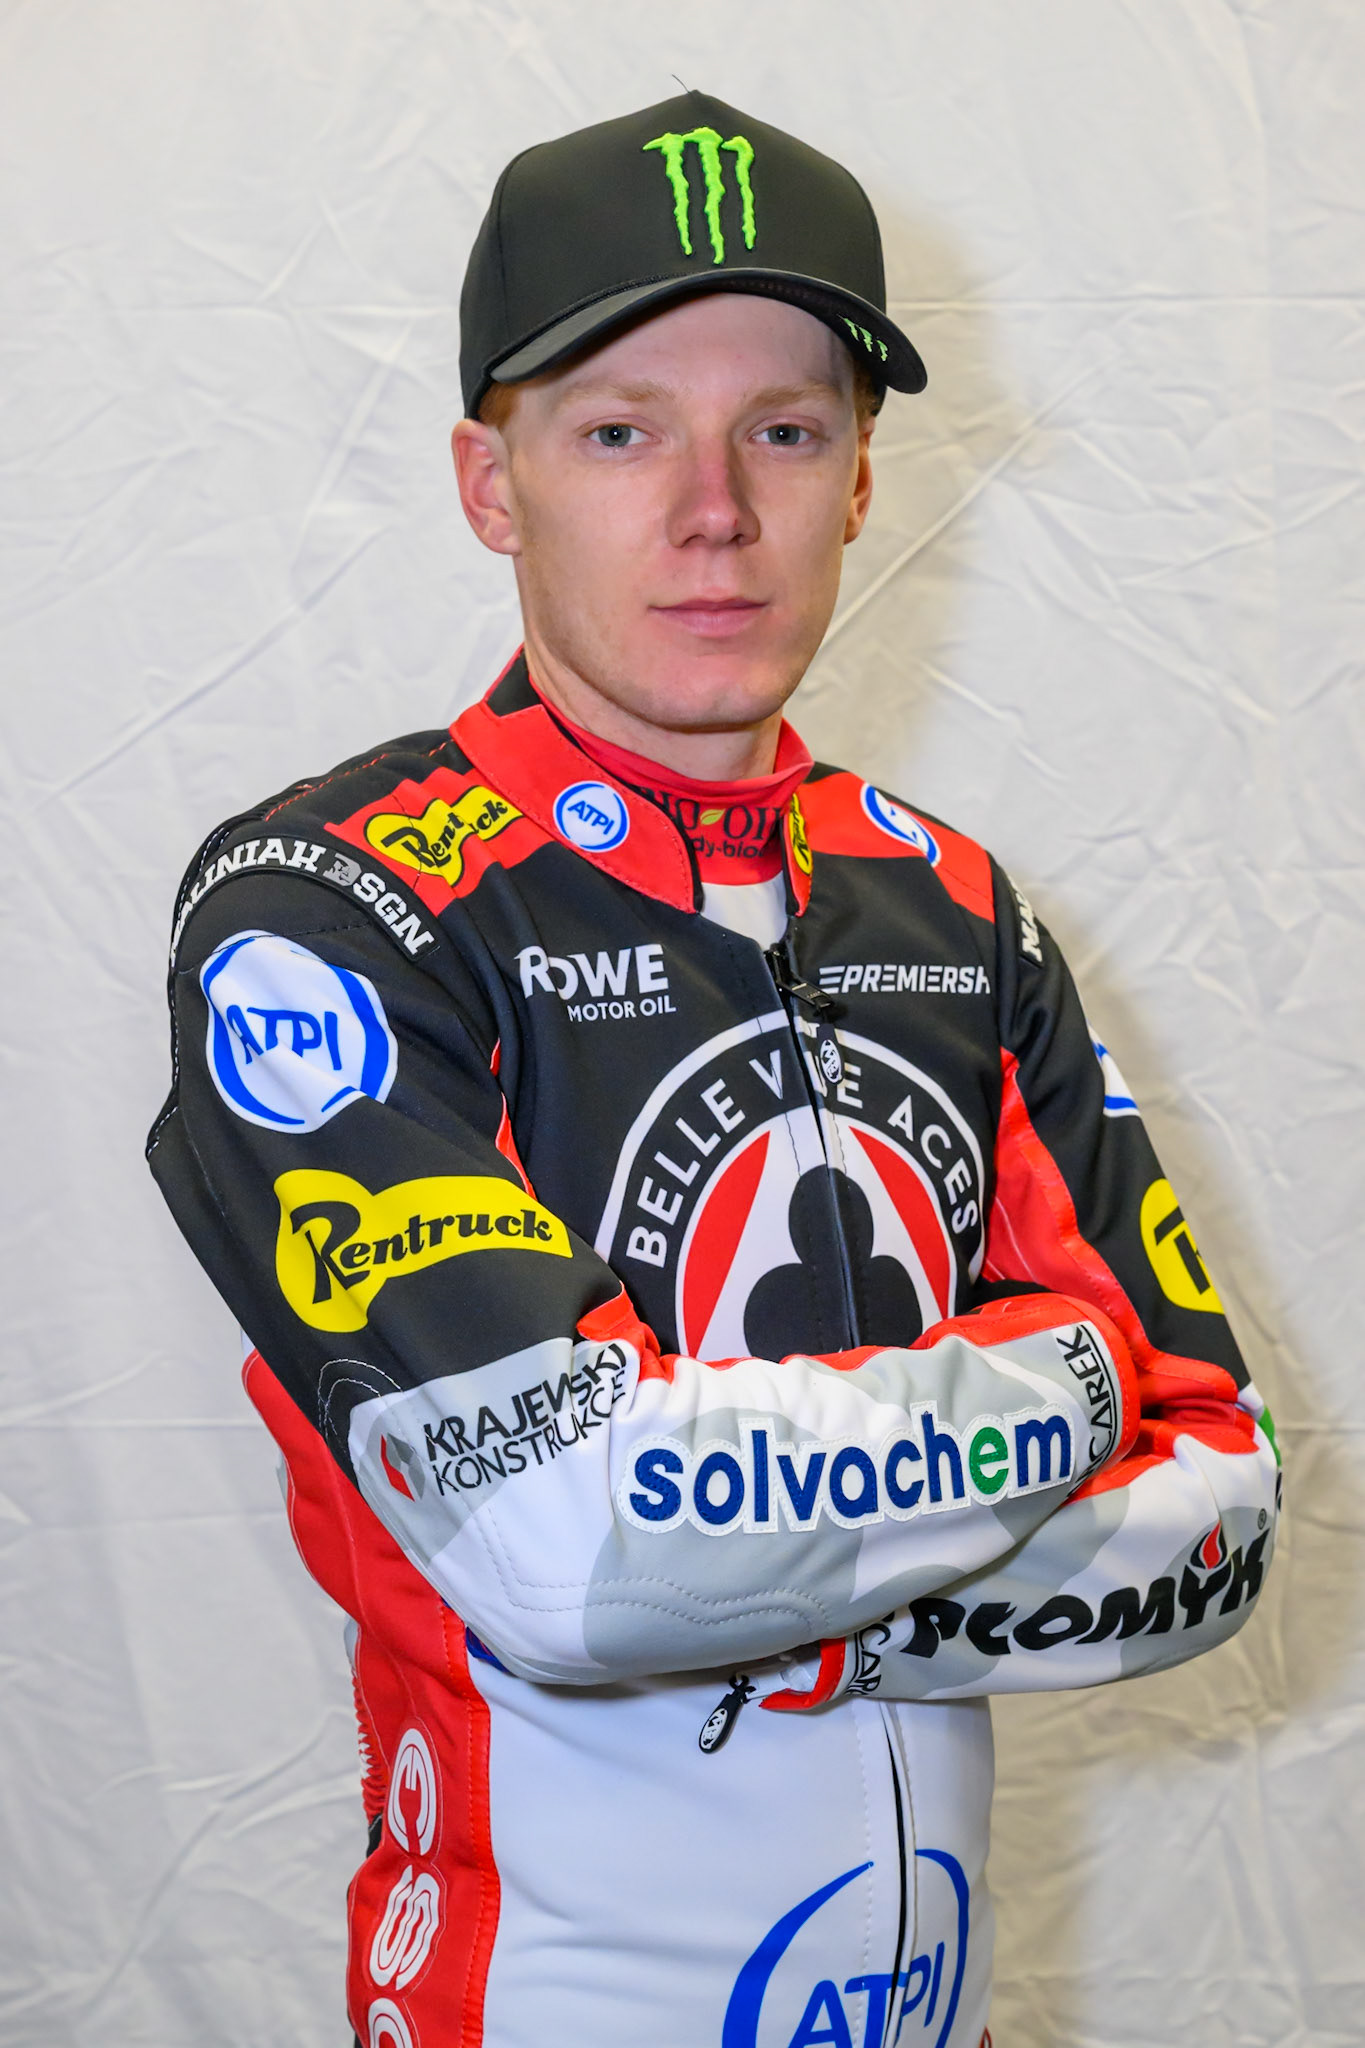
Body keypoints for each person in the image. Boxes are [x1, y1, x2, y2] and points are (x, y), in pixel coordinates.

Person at [148, 90, 1280, 2048]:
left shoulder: (953, 909)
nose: (711, 511)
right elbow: (575, 1553)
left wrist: (773, 1573)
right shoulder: (327, 910)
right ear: (487, 483)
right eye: (616, 432)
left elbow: (1222, 1513)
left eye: (782, 427)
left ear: (858, 480)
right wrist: (1061, 1383)